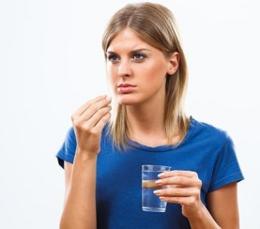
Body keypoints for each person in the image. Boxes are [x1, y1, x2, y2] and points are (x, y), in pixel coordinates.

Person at [56, 2, 244, 229]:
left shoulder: (213, 146)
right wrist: (85, 153)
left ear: (172, 63)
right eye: (113, 57)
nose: (122, 70)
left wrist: (197, 211)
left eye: (138, 56)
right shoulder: (84, 137)